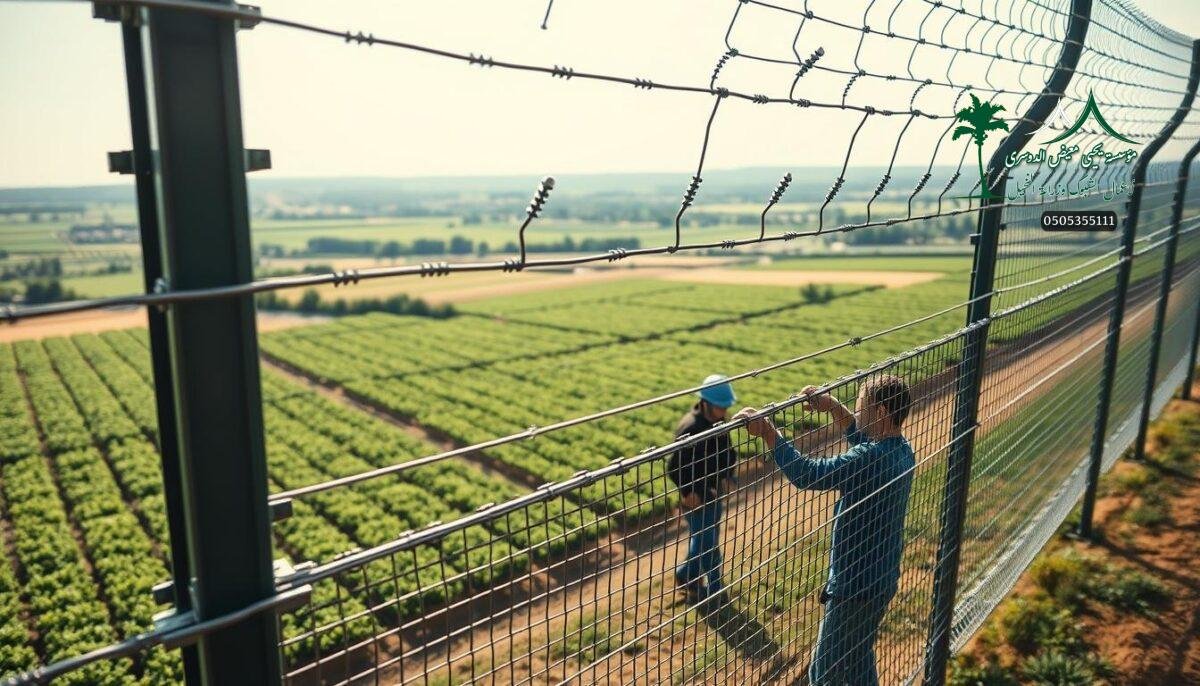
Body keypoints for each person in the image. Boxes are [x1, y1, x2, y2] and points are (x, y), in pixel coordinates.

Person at [734, 375, 914, 686]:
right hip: (881, 580)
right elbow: (861, 437)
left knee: (823, 674)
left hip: (853, 588)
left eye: (861, 408)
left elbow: (808, 474)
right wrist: (831, 407)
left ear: (881, 412)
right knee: (858, 660)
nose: (856, 415)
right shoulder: (900, 451)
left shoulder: (869, 459)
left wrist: (767, 431)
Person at [666, 373, 738, 602]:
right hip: (695, 498)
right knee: (708, 544)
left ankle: (685, 574)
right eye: (721, 407)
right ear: (706, 403)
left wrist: (727, 475)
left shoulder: (718, 423)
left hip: (713, 494)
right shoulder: (690, 428)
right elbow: (674, 467)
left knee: (704, 538)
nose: (725, 411)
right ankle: (715, 588)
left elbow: (728, 454)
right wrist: (688, 493)